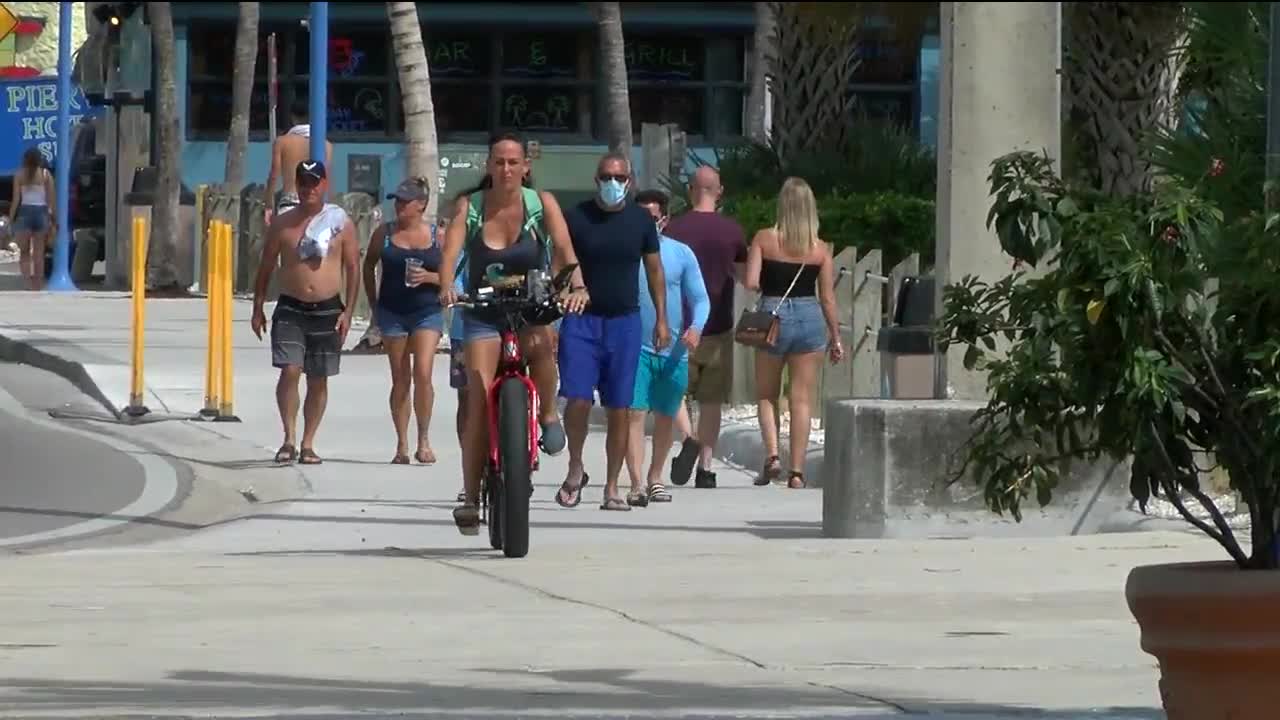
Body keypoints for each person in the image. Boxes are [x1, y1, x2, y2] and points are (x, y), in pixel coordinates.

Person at [438, 132, 590, 534]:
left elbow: (564, 250)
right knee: (475, 400)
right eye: (499, 162)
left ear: (526, 166)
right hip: (483, 310)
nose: (506, 169)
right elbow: (451, 252)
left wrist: (577, 286)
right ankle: (470, 498)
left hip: (529, 305)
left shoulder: (542, 205)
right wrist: (446, 285)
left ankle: (549, 414)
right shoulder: (470, 207)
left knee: (541, 345)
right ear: (489, 166)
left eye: (513, 162)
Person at [555, 153, 670, 512]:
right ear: (596, 179)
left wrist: (662, 319)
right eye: (606, 175)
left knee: (620, 407)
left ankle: (611, 487)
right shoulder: (577, 216)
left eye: (619, 176)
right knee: (577, 399)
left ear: (629, 180)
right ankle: (576, 466)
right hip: (582, 321)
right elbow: (559, 259)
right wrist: (565, 291)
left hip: (624, 322)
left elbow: (654, 272)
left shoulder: (640, 220)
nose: (612, 182)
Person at [250, 160, 360, 465]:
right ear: (296, 186)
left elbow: (353, 268)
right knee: (290, 370)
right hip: (291, 308)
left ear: (324, 184)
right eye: (303, 183)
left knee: (318, 378)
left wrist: (348, 312)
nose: (308, 189)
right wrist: (258, 307)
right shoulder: (283, 224)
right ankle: (288, 438)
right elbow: (266, 266)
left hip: (327, 310)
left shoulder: (341, 224)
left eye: (314, 182)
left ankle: (308, 442)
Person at [743, 177, 845, 489]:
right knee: (801, 399)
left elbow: (750, 282)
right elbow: (827, 297)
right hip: (810, 316)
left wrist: (768, 283)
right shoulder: (820, 249)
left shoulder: (764, 238)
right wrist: (836, 337)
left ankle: (773, 456)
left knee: (765, 394)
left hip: (773, 314)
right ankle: (797, 473)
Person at [662, 166, 748, 490]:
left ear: (690, 191)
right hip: (718, 325)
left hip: (678, 325)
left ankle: (689, 438)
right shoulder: (733, 232)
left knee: (674, 393)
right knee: (711, 401)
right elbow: (743, 277)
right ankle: (706, 468)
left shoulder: (673, 230)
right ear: (720, 191)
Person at [623, 189, 709, 506]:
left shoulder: (681, 254)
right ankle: (635, 483)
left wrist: (696, 328)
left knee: (664, 415)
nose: (646, 222)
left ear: (664, 219)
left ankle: (655, 477)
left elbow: (700, 298)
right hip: (635, 347)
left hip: (673, 350)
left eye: (652, 216)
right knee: (634, 413)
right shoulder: (624, 251)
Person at [362, 177, 445, 465]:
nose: (399, 206)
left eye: (405, 201)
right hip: (392, 311)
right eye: (397, 200)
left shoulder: (438, 235)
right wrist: (373, 304)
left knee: (423, 371)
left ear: (421, 205)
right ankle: (401, 444)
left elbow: (454, 274)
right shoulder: (383, 233)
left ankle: (424, 440)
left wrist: (431, 278)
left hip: (427, 310)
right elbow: (369, 263)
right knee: (400, 378)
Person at [264, 99, 335, 223]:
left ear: (292, 117)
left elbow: (274, 176)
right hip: (316, 207)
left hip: (290, 204)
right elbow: (327, 179)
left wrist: (269, 206)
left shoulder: (282, 142)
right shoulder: (326, 145)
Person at [9, 148, 53, 291]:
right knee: (39, 252)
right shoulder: (46, 174)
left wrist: (11, 219)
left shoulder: (19, 175)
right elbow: (50, 199)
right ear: (40, 159)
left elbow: (16, 200)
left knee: (25, 251)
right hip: (41, 212)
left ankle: (28, 283)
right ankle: (38, 285)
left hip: (24, 213)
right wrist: (53, 218)